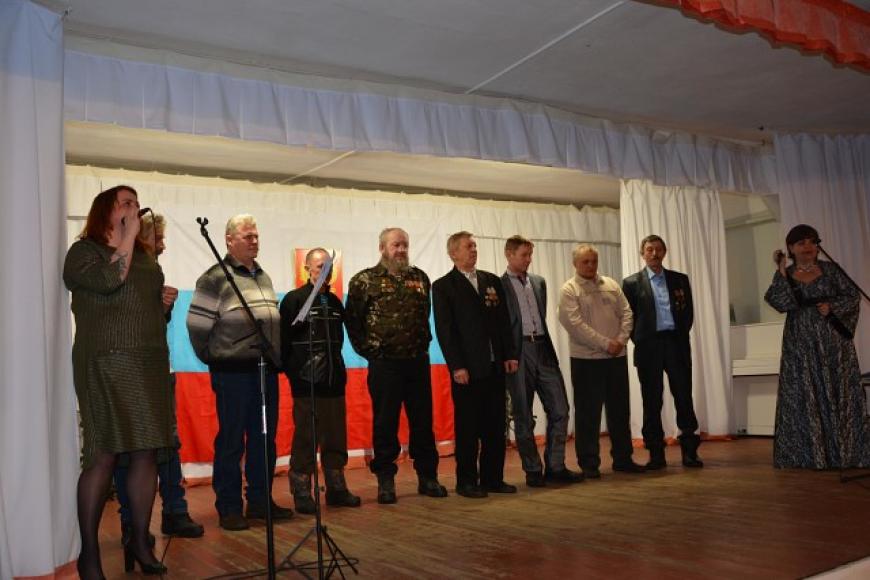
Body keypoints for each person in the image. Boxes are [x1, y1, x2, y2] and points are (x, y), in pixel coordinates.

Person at [64, 185, 172, 578]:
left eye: (136, 203)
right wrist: (127, 237)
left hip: (147, 362)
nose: (134, 208)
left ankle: (139, 540)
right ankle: (89, 553)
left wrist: (162, 306)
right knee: (103, 454)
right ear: (103, 211)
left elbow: (142, 309)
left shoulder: (145, 258)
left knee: (146, 451)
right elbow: (111, 280)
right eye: (124, 203)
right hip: (104, 362)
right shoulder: (83, 253)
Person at [186, 214, 292, 531]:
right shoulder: (214, 279)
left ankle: (260, 501)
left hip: (264, 371)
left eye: (256, 235)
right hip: (232, 373)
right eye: (247, 236)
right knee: (232, 440)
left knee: (264, 438)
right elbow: (196, 326)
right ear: (229, 241)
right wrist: (217, 358)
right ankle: (229, 506)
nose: (254, 241)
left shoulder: (264, 277)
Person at [113, 214, 204, 542]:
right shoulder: (118, 270)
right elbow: (120, 324)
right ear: (138, 237)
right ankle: (130, 522)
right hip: (127, 373)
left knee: (169, 442)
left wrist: (163, 308)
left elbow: (152, 325)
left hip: (158, 371)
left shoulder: (155, 271)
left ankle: (175, 511)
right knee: (129, 448)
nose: (163, 244)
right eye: (159, 238)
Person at [345, 228, 448, 504]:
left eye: (405, 245)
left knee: (423, 423)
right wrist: (371, 352)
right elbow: (353, 321)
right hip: (385, 365)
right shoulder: (364, 280)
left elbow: (424, 315)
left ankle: (428, 477)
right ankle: (386, 481)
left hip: (417, 362)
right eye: (395, 245)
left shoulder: (420, 278)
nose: (401, 250)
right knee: (385, 424)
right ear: (382, 248)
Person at [764, 224, 870, 469]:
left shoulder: (831, 270)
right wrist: (781, 271)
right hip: (800, 342)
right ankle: (810, 455)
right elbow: (778, 301)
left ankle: (845, 453)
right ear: (791, 248)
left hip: (833, 343)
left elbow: (851, 296)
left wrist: (832, 308)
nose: (808, 247)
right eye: (801, 243)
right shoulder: (786, 274)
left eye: (812, 241)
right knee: (804, 392)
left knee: (838, 389)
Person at [432, 231, 519, 498]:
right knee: (468, 427)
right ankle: (467, 481)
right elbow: (445, 331)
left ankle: (493, 478)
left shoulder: (491, 281)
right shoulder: (443, 286)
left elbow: (503, 321)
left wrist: (509, 354)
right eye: (468, 246)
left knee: (495, 424)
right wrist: (457, 366)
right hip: (467, 369)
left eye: (474, 246)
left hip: (495, 365)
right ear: (453, 254)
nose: (473, 250)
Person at [280, 248, 361, 513]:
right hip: (306, 382)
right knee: (306, 437)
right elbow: (283, 341)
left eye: (328, 267)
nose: (325, 272)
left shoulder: (336, 302)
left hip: (334, 380)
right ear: (307, 269)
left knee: (336, 437)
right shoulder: (294, 300)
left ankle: (336, 488)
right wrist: (295, 373)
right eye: (319, 267)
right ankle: (301, 490)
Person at [501, 236, 583, 487]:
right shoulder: (499, 285)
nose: (528, 259)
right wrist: (507, 354)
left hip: (543, 348)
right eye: (524, 255)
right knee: (523, 414)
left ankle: (556, 466)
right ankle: (533, 469)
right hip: (518, 352)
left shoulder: (538, 282)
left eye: (530, 255)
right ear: (509, 255)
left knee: (560, 409)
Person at [559, 244, 646, 478]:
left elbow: (627, 313)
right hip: (586, 360)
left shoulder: (611, 284)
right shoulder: (569, 289)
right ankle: (589, 464)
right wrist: (606, 343)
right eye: (585, 262)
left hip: (616, 358)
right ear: (575, 264)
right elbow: (575, 325)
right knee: (588, 414)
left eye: (594, 261)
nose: (591, 265)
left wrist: (621, 340)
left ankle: (623, 459)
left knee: (620, 411)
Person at [622, 235, 703, 469]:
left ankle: (689, 451)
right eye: (649, 249)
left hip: (676, 344)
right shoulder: (631, 283)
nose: (654, 254)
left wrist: (679, 335)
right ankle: (656, 453)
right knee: (651, 400)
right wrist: (640, 339)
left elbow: (687, 313)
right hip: (648, 347)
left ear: (664, 252)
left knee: (683, 396)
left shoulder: (679, 279)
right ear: (642, 253)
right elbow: (628, 318)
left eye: (658, 249)